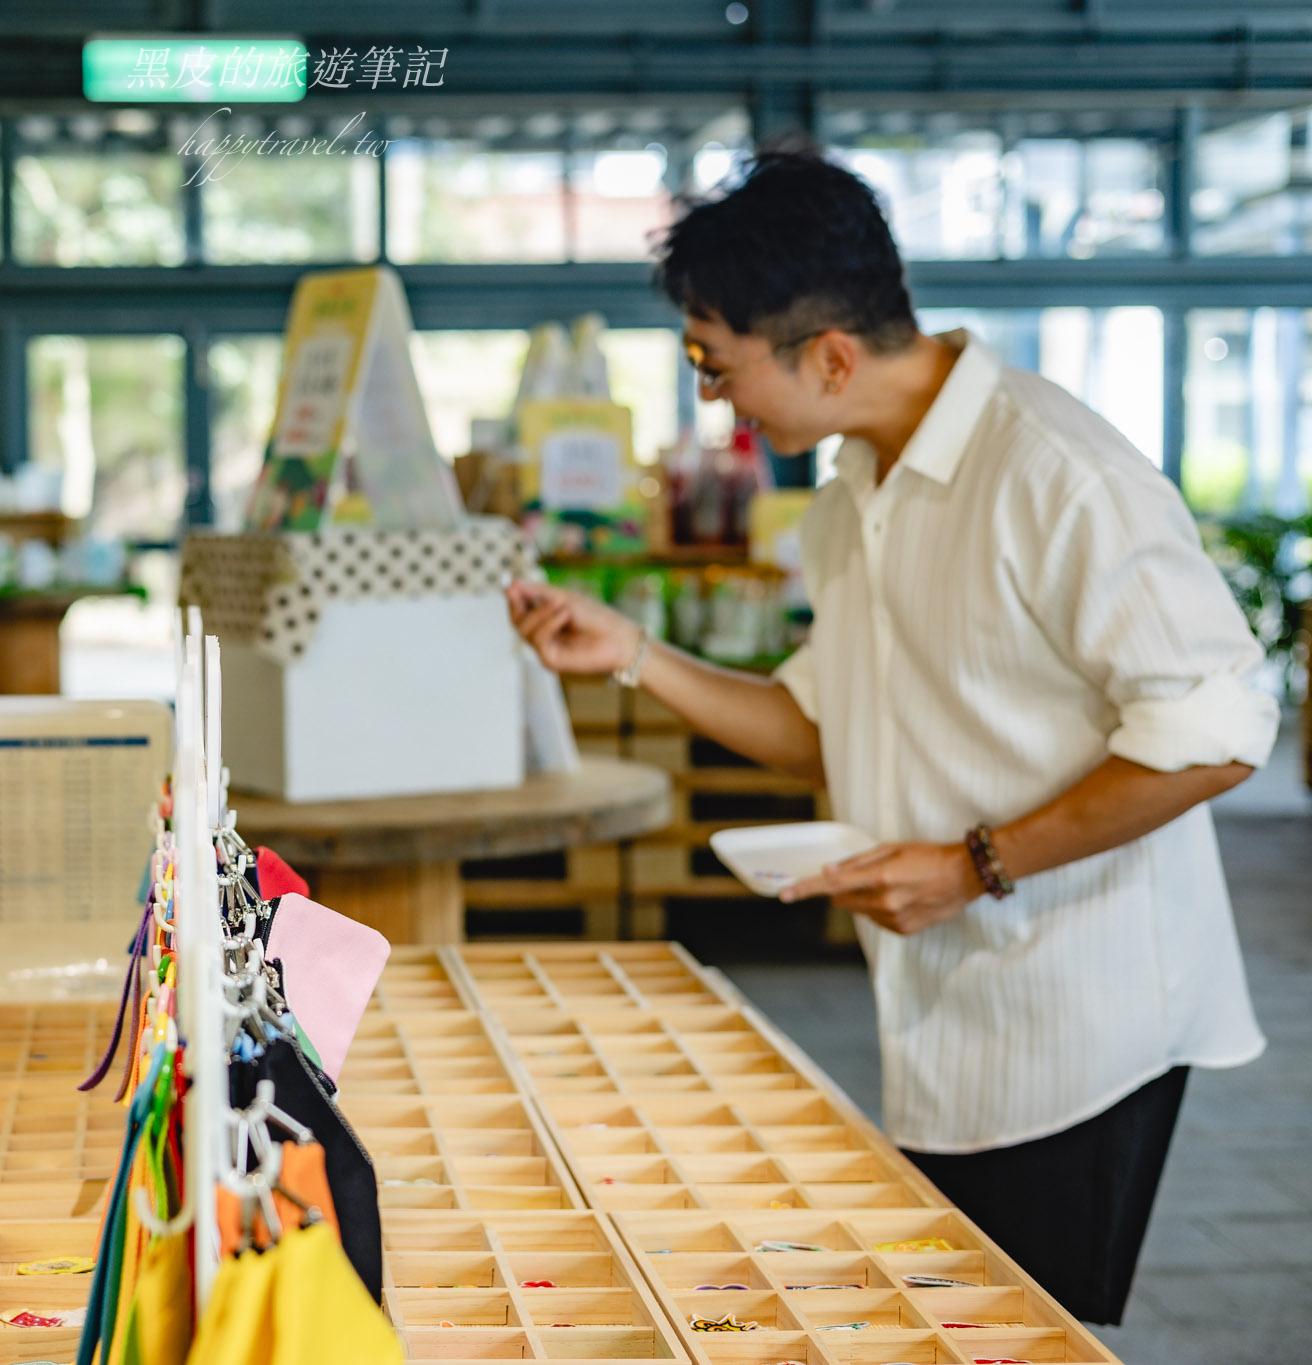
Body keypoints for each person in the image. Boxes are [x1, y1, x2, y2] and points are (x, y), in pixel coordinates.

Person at [509, 150, 1273, 1326]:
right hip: (943, 998)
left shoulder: (1054, 474)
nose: (714, 400)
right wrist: (629, 653)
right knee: (951, 1323)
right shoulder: (850, 493)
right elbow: (819, 727)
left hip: (1082, 1008)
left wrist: (978, 863)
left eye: (716, 365)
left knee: (1022, 1332)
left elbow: (1218, 730)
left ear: (826, 355)